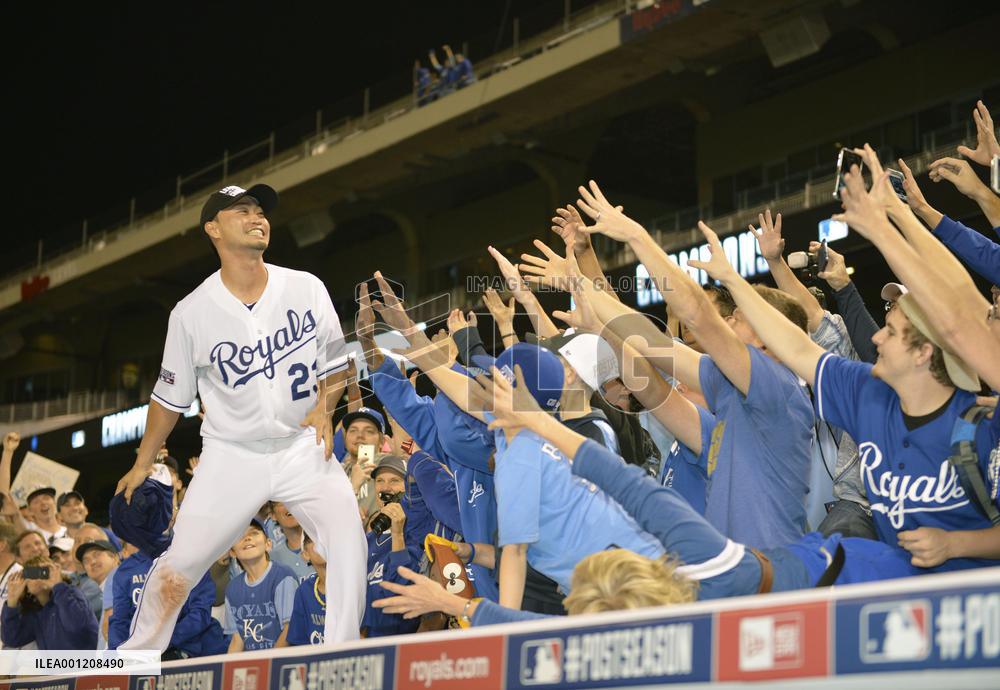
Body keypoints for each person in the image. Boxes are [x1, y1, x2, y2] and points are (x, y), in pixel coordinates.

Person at [374, 365, 920, 627]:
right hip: (837, 577)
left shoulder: (699, 574)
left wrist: (455, 603)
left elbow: (549, 632)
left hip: (863, 578)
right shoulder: (703, 562)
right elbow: (626, 472)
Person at [114, 183, 365, 651]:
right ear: (213, 229)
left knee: (347, 536)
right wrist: (143, 461)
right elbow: (169, 398)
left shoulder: (305, 287)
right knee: (181, 564)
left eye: (260, 210)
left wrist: (325, 407)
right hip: (231, 456)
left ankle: (341, 656)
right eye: (242, 211)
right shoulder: (190, 313)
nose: (258, 217)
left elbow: (336, 363)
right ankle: (128, 662)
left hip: (300, 446)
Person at [687, 211, 1000, 571]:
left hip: (977, 605)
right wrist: (734, 278)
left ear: (925, 351)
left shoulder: (980, 425)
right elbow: (799, 342)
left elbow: (807, 326)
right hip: (900, 583)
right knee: (815, 561)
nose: (877, 337)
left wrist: (954, 543)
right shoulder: (865, 391)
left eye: (892, 331)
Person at [224, 519, 297, 652]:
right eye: (240, 536)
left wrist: (268, 665)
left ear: (268, 544)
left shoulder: (283, 576)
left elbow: (289, 630)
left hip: (280, 663)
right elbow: (237, 640)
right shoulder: (232, 589)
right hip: (253, 667)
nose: (247, 538)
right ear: (232, 552)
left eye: (254, 533)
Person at [2, 555, 98, 650]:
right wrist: (12, 601)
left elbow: (77, 625)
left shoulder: (72, 593)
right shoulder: (35, 612)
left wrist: (58, 585)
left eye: (44, 571)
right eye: (31, 573)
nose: (37, 578)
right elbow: (12, 639)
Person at [280, 531, 327, 646]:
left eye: (324, 538)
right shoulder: (304, 591)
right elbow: (298, 641)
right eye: (312, 539)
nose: (320, 543)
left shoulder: (351, 582)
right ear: (305, 554)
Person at [267, 502, 314, 582]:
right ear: (273, 515)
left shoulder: (322, 545)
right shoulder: (271, 559)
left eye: (292, 500)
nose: (289, 505)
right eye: (282, 502)